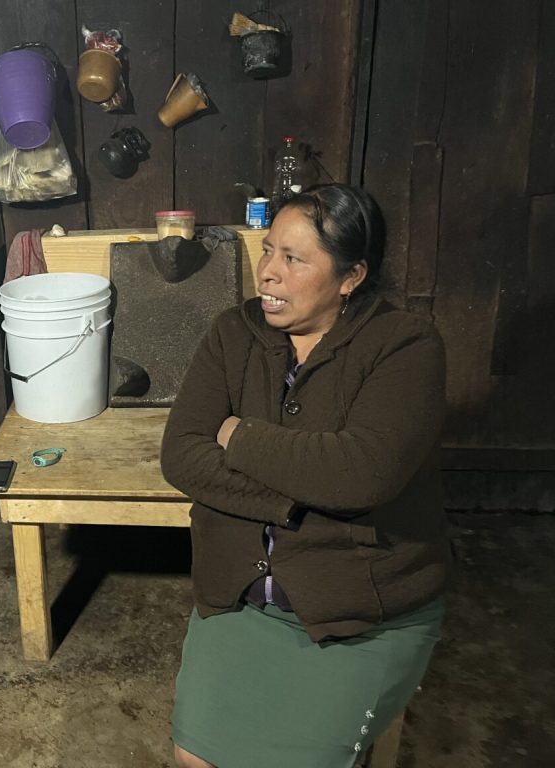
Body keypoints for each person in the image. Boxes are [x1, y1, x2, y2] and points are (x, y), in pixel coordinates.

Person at [161, 183, 451, 768]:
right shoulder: (233, 333)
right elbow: (183, 454)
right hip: (237, 600)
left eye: (293, 260)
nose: (267, 273)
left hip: (359, 614)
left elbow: (362, 473)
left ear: (351, 277)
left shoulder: (405, 345)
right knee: (195, 759)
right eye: (267, 250)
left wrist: (238, 435)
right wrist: (302, 493)